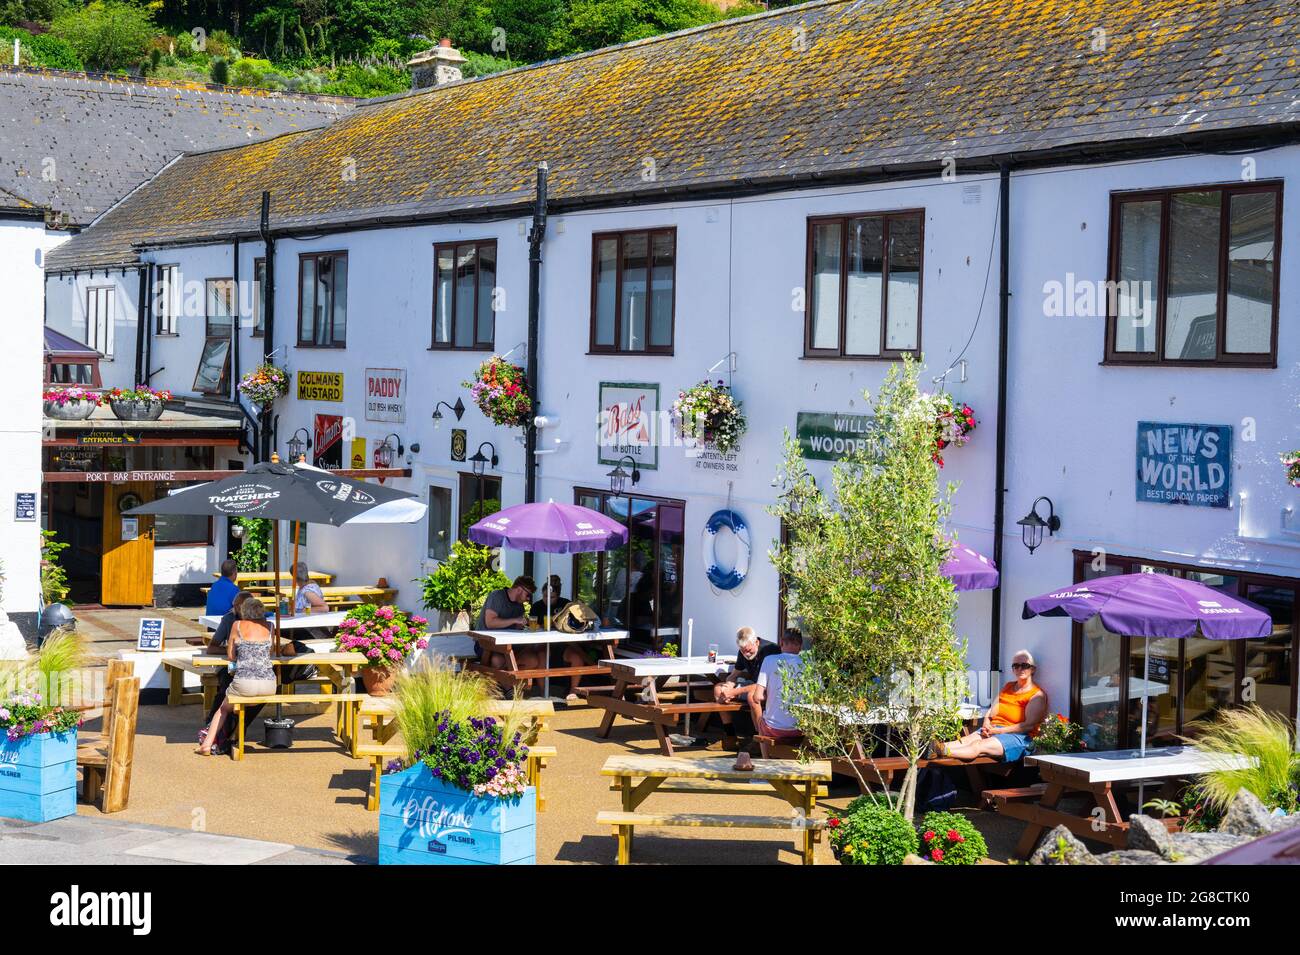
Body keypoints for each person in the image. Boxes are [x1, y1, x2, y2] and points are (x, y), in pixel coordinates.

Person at [197, 598, 294, 756]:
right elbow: (270, 653)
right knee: (242, 704)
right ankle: (235, 734)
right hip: (269, 684)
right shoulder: (270, 626)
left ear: (244, 611)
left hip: (244, 682)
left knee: (222, 709)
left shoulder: (237, 625)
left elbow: (230, 656)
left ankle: (206, 745)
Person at [932, 649, 1047, 762]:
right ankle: (935, 748)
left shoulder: (1037, 695)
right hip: (994, 729)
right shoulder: (1008, 686)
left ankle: (942, 751)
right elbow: (993, 709)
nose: (1020, 668)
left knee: (978, 745)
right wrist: (987, 722)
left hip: (1019, 737)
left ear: (1032, 669)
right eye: (1016, 665)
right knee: (965, 741)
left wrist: (997, 732)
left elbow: (1027, 726)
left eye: (1024, 665)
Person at [702, 627, 779, 751]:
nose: (746, 654)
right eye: (743, 651)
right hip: (753, 685)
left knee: (752, 696)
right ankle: (730, 738)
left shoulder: (769, 651)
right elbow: (734, 674)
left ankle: (759, 740)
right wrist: (728, 687)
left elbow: (762, 685)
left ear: (756, 642)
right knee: (718, 690)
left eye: (748, 650)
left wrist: (733, 692)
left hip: (769, 689)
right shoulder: (743, 652)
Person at [749, 629, 806, 757]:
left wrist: (772, 694)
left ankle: (766, 762)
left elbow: (757, 697)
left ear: (781, 642)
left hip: (774, 729)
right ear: (801, 646)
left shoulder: (770, 660)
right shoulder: (810, 663)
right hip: (802, 729)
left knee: (761, 719)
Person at [477, 576, 545, 676]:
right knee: (498, 659)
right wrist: (514, 620)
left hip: (509, 645)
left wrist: (522, 625)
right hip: (487, 643)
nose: (528, 599)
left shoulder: (519, 606)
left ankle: (508, 685)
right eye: (528, 595)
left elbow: (516, 627)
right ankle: (510, 690)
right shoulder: (497, 596)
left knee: (532, 660)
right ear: (519, 590)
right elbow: (490, 623)